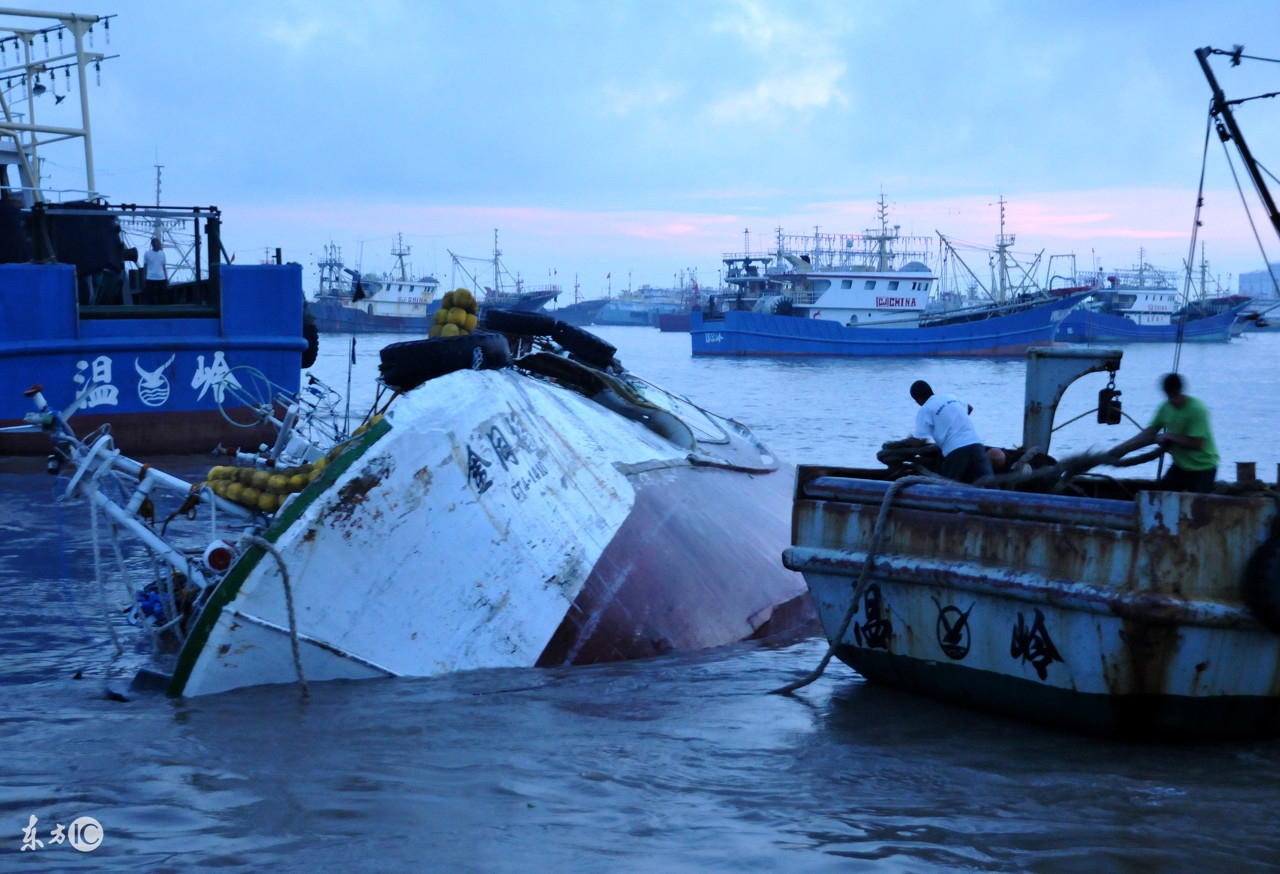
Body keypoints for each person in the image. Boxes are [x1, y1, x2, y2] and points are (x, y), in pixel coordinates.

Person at [1107, 372, 1219, 493]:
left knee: (1197, 504)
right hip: (1181, 466)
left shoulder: (1197, 409)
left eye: (1175, 395)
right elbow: (1149, 432)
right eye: (1169, 396)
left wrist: (1170, 437)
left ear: (1181, 390)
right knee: (1160, 496)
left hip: (1203, 467)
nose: (1173, 400)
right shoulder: (1165, 407)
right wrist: (1122, 448)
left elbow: (1198, 444)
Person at [903, 380, 993, 484]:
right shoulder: (951, 397)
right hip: (976, 445)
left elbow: (920, 441)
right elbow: (970, 408)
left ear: (917, 399)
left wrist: (909, 440)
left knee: (947, 489)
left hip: (955, 452)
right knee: (990, 486)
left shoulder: (925, 409)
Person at [141, 237, 167, 304]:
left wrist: (166, 277)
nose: (160, 245)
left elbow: (163, 266)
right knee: (150, 298)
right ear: (153, 245)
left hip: (161, 278)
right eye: (158, 244)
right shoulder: (147, 253)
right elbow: (145, 267)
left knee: (162, 298)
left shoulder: (163, 254)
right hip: (150, 278)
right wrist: (144, 278)